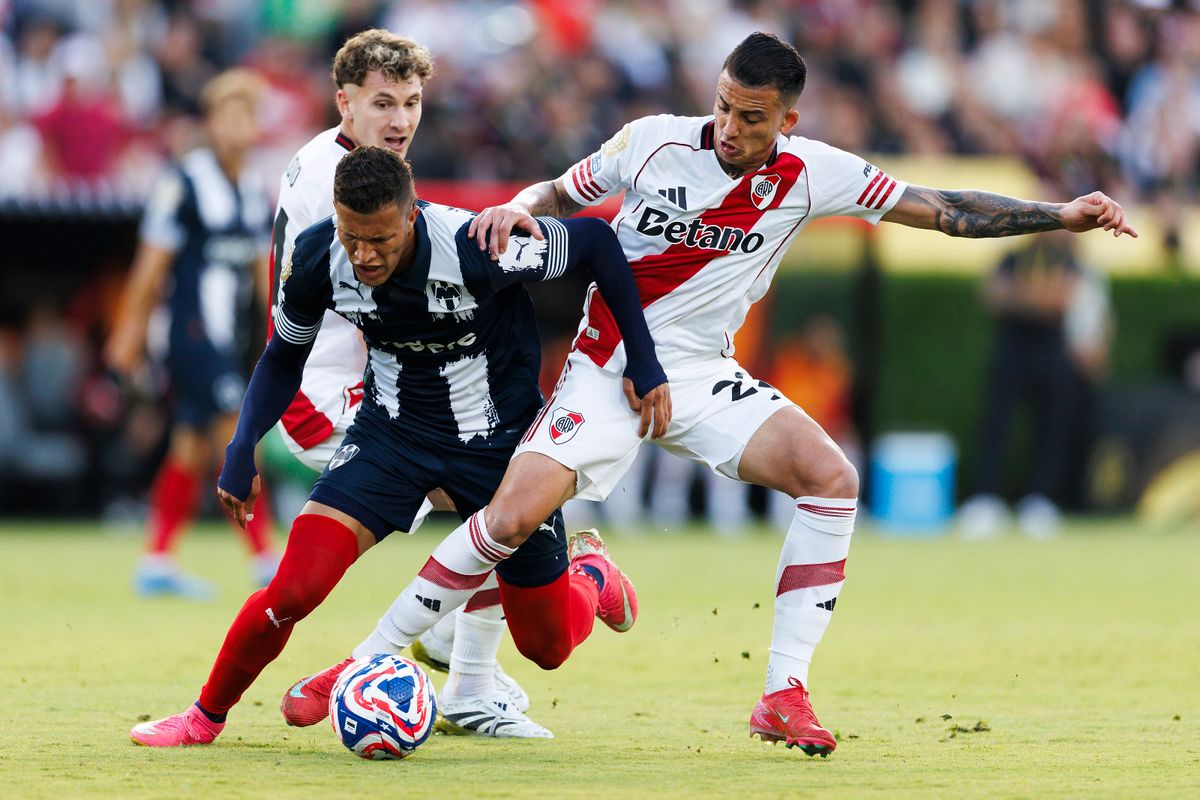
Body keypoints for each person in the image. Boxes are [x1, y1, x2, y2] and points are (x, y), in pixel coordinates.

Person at [301, 32, 1138, 758]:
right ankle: (372, 655)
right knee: (510, 520)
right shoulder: (654, 142)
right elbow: (563, 193)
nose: (731, 129)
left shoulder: (818, 173)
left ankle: (783, 692)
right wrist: (517, 210)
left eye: (752, 117)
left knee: (832, 478)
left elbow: (943, 207)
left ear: (789, 121)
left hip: (700, 373)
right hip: (607, 363)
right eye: (726, 107)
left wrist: (1056, 215)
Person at [129, 145, 669, 747]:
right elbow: (283, 357)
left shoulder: (476, 245)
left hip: (500, 449)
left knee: (546, 648)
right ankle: (203, 718)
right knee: (293, 588)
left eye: (380, 239)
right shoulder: (317, 256)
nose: (364, 255)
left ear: (412, 214)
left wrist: (644, 363)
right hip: (390, 440)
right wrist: (241, 446)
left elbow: (596, 245)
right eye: (351, 235)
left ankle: (590, 575)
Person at [269, 29, 546, 737]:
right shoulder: (330, 184)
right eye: (383, 104)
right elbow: (361, 296)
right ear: (345, 102)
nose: (400, 121)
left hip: (351, 381)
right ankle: (399, 656)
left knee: (495, 496)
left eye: (412, 104)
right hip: (330, 398)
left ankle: (453, 664)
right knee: (494, 494)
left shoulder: (345, 164)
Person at [105, 69, 278, 598]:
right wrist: (127, 335)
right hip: (190, 332)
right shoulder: (181, 183)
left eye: (246, 115)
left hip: (229, 337)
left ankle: (156, 559)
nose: (238, 126)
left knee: (189, 445)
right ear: (209, 123)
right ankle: (265, 557)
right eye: (228, 115)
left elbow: (261, 273)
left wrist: (281, 333)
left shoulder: (252, 192)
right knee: (238, 433)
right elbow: (150, 267)